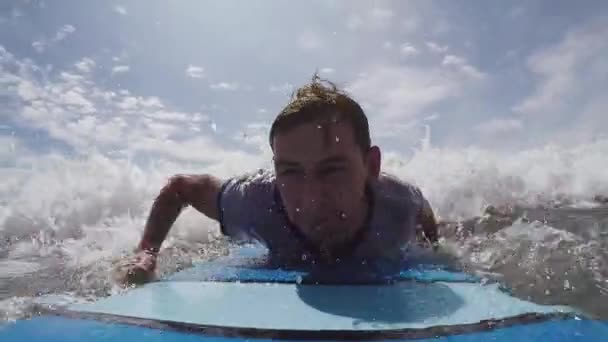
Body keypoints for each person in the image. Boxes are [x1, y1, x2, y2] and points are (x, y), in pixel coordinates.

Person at [116, 75, 439, 285]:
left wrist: (433, 246)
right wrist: (147, 253)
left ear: (371, 166)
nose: (311, 198)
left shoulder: (398, 204)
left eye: (332, 170)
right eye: (291, 172)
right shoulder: (256, 201)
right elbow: (180, 188)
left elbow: (424, 213)